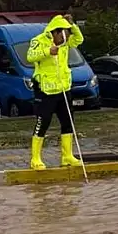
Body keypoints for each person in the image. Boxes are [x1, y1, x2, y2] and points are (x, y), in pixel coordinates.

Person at [26, 14, 84, 170]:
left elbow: (79, 40)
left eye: (68, 33)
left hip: (63, 88)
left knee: (68, 121)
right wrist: (47, 51)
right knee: (43, 122)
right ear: (55, 32)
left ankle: (67, 156)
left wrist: (73, 26)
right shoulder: (38, 40)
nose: (66, 37)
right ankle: (36, 159)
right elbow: (30, 57)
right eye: (64, 33)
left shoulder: (66, 42)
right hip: (45, 90)